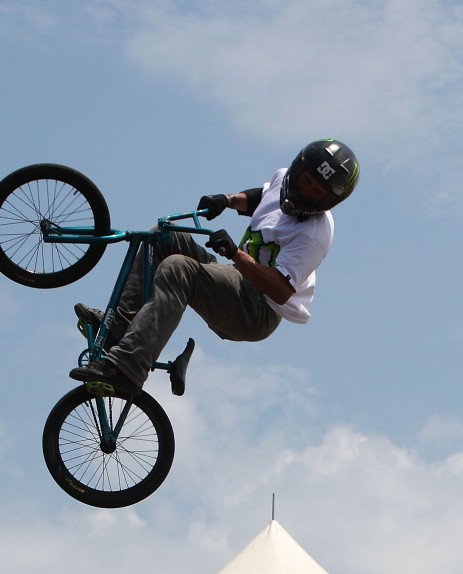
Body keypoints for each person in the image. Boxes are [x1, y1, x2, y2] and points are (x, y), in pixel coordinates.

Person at [70, 138, 360, 396]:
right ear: (298, 169)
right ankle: (120, 328)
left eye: (316, 192)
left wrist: (235, 253)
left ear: (329, 200)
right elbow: (263, 196)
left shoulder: (314, 235)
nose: (305, 191)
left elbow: (281, 290)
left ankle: (127, 369)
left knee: (178, 269)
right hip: (237, 279)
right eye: (306, 181)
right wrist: (227, 201)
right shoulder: (283, 179)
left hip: (258, 311)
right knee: (163, 234)